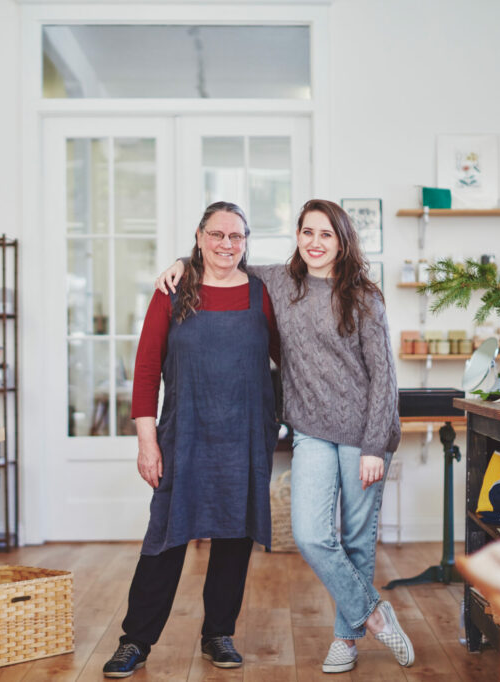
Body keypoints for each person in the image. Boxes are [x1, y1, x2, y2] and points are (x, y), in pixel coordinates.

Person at [156, 199, 413, 673]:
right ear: (297, 237)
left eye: (326, 235)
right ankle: (374, 613)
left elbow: (385, 377)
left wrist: (376, 446)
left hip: (363, 434)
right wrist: (181, 260)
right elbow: (224, 255)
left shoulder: (364, 296)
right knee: (311, 535)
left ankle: (346, 640)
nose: (315, 243)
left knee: (356, 540)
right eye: (307, 232)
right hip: (312, 431)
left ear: (342, 241)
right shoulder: (278, 281)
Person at [102, 202, 281, 678]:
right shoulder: (173, 288)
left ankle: (218, 633)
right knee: (165, 536)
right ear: (199, 237)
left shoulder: (261, 292)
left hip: (244, 435)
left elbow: (288, 359)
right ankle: (135, 640)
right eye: (217, 235)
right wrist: (146, 439)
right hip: (183, 432)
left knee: (235, 535)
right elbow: (145, 368)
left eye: (237, 237)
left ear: (246, 242)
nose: (227, 244)